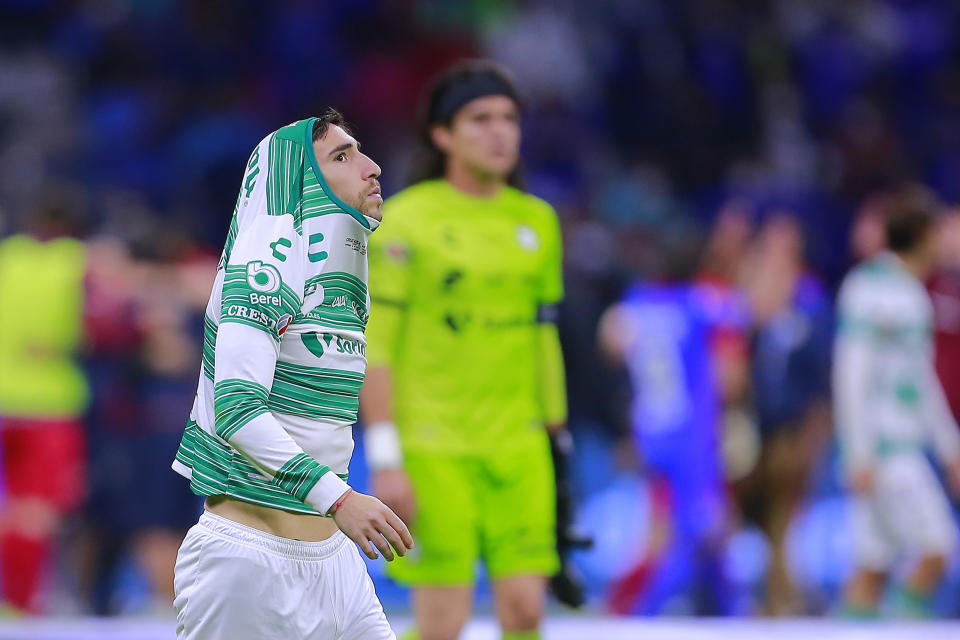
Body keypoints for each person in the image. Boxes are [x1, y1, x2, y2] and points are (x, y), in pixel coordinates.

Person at [171, 110, 413, 640]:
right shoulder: (262, 271)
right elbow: (237, 410)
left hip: (333, 559)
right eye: (343, 156)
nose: (372, 168)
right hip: (249, 565)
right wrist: (341, 498)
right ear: (298, 178)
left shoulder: (341, 279)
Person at [361, 61, 576, 640]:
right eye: (480, 119)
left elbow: (543, 335)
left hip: (519, 446)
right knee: (442, 624)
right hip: (435, 449)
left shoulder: (537, 222)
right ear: (443, 136)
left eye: (508, 118)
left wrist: (557, 435)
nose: (499, 132)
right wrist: (386, 455)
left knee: (527, 614)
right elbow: (376, 346)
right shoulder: (406, 222)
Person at [599, 226, 739, 616]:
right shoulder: (705, 303)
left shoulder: (637, 303)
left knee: (679, 525)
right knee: (697, 526)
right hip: (692, 436)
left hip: (650, 430)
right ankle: (632, 611)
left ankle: (722, 610)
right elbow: (731, 376)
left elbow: (610, 340)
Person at [835, 201, 960, 617]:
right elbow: (851, 376)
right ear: (924, 236)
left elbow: (920, 382)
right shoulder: (872, 289)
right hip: (887, 450)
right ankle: (904, 623)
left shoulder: (908, 290)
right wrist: (859, 453)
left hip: (895, 447)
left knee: (872, 568)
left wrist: (949, 447)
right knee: (937, 548)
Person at [0, 191, 89, 613]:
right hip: (49, 403)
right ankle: (24, 599)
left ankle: (10, 597)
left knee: (11, 506)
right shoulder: (76, 260)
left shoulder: (8, 257)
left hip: (5, 399)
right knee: (37, 509)